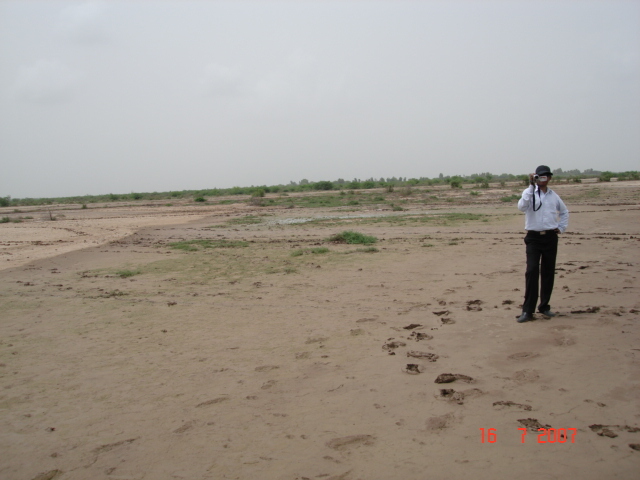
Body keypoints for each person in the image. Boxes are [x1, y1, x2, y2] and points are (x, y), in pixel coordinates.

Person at [516, 165, 569, 323]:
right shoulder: (529, 192)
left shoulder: (554, 196)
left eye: (546, 176)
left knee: (548, 272)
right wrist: (531, 187)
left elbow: (564, 212)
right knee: (532, 271)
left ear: (550, 178)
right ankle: (527, 311)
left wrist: (561, 228)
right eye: (540, 176)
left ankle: (544, 306)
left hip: (550, 237)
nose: (543, 179)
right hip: (533, 238)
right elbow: (521, 207)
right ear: (536, 177)